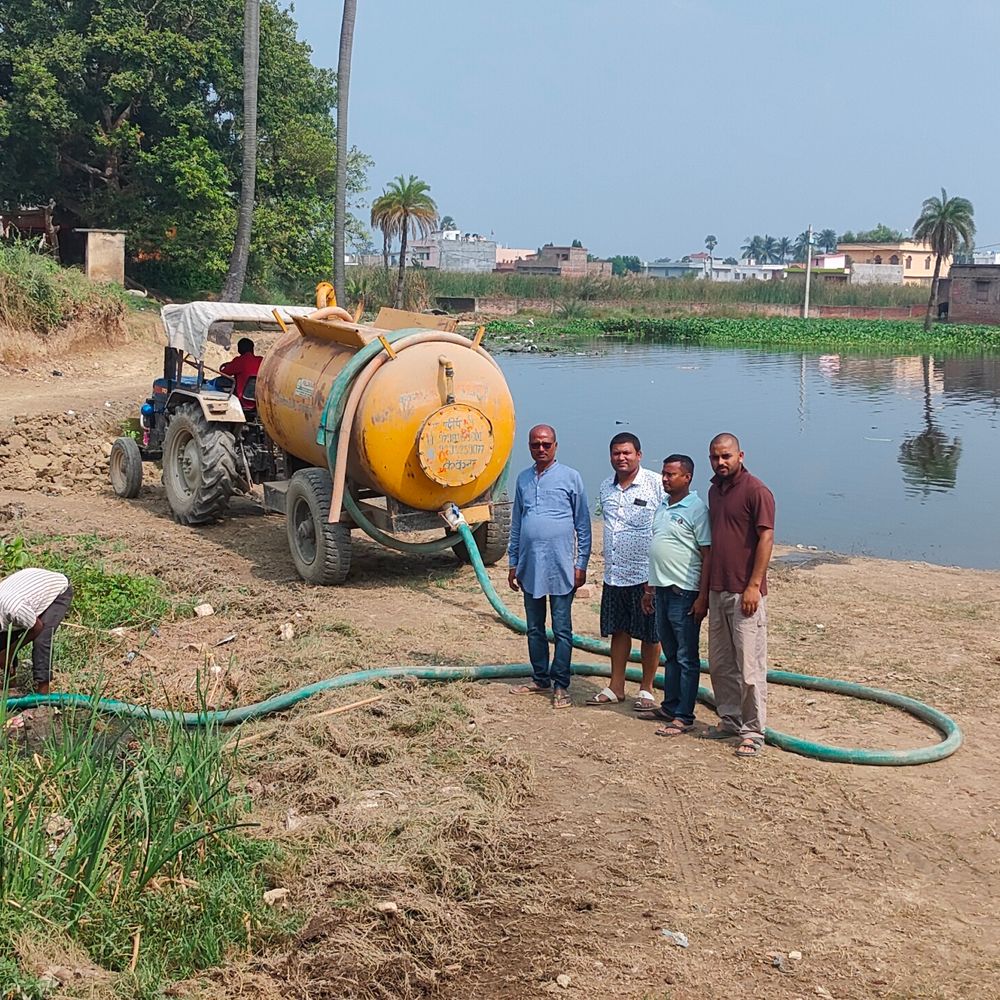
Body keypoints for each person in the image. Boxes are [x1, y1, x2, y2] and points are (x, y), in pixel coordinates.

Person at [507, 424, 591, 710]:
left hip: (561, 567)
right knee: (534, 628)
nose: (540, 449)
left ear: (555, 445)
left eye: (546, 444)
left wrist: (581, 564)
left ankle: (561, 685)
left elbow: (583, 525)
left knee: (562, 629)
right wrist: (513, 561)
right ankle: (540, 677)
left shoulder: (571, 478)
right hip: (530, 566)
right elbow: (517, 523)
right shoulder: (523, 479)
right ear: (529, 447)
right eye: (535, 445)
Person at [701, 433, 775, 759]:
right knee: (720, 663)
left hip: (746, 593)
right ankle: (729, 718)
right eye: (716, 458)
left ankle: (753, 730)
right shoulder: (714, 491)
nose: (721, 463)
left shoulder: (756, 491)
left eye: (726, 456)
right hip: (719, 589)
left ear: (740, 455)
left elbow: (766, 538)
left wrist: (753, 585)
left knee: (749, 667)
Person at [587, 432, 662, 710]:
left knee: (651, 634)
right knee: (618, 630)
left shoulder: (655, 484)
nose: (621, 458)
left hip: (646, 575)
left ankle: (646, 689)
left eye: (627, 453)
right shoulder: (606, 487)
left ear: (639, 455)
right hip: (614, 573)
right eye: (616, 453)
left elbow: (668, 523)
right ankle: (616, 686)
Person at [640, 455, 711, 736]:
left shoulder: (697, 510)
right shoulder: (662, 506)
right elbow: (658, 548)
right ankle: (669, 706)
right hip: (662, 591)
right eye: (664, 474)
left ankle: (684, 715)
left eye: (671, 475)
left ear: (688, 477)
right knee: (670, 653)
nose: (665, 479)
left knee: (686, 657)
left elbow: (707, 554)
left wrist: (702, 597)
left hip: (685, 592)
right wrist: (649, 589)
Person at [0, 568, 73, 696]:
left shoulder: (13, 609)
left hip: (55, 590)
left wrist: (10, 651)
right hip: (28, 592)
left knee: (42, 639)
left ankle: (43, 693)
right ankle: (11, 686)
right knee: (3, 641)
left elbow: (36, 627)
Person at [219, 337, 262, 410]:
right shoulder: (261, 360)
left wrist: (228, 365)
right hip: (260, 400)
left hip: (243, 399)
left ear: (239, 350)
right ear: (252, 349)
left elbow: (224, 372)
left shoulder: (240, 361)